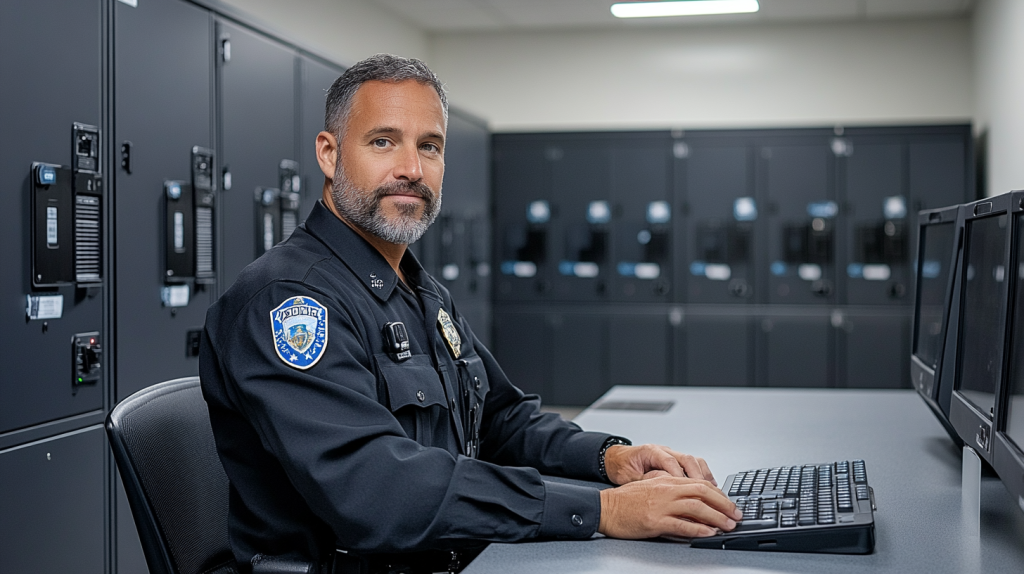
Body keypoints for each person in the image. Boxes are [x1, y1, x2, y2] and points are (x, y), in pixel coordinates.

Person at [200, 54, 740, 574]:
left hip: (460, 555)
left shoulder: (419, 290)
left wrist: (612, 460)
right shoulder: (291, 301)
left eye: (429, 146)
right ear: (328, 152)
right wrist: (601, 511)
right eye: (383, 141)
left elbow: (502, 419)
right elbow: (379, 490)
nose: (410, 168)